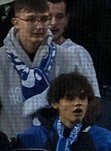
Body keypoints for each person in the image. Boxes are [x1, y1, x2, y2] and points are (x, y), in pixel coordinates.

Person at [0, 0, 97, 140]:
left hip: (55, 145)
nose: (39, 26)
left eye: (45, 19)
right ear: (16, 22)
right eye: (31, 19)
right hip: (11, 146)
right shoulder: (1, 59)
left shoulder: (67, 57)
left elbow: (87, 104)